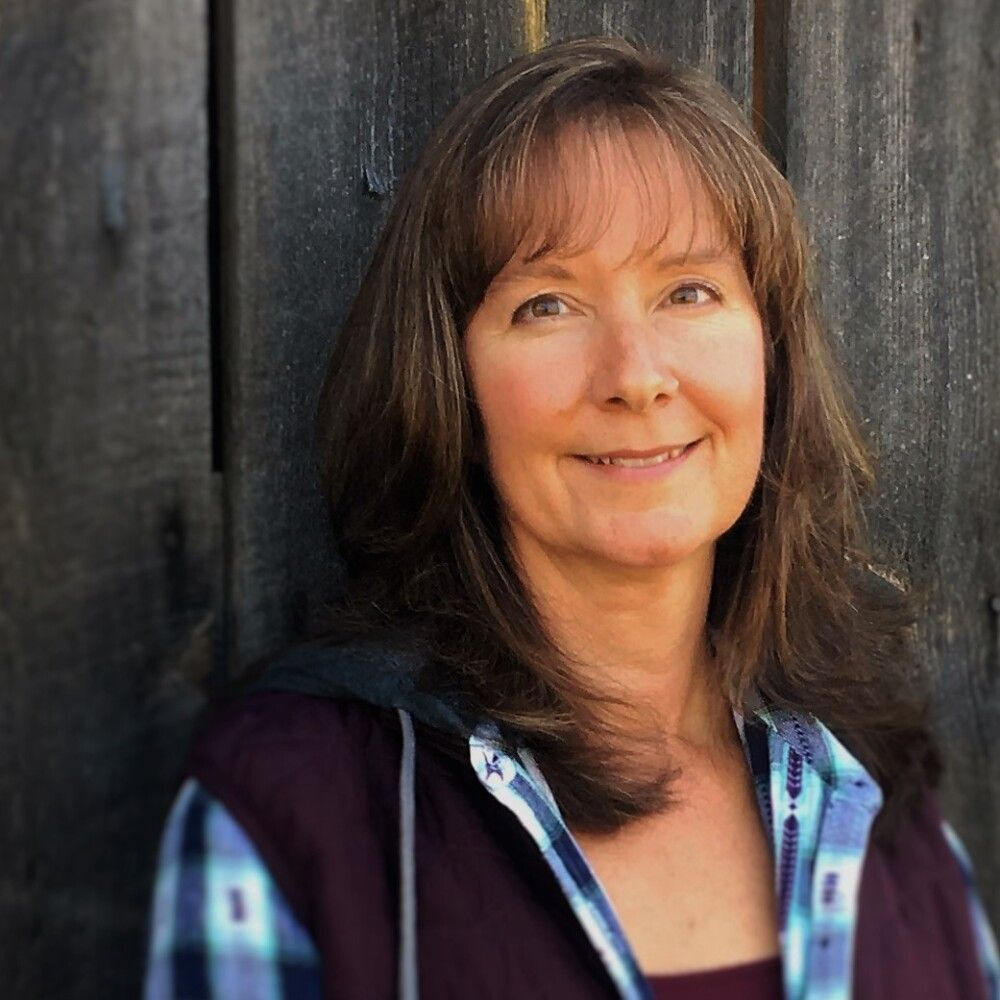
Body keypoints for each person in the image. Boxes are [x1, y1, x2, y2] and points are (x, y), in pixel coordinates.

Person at [141, 35, 999, 1000]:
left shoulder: (876, 798)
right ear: (452, 390)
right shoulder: (296, 808)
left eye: (689, 290)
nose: (635, 374)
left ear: (771, 357)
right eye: (547, 305)